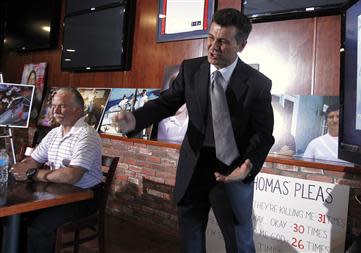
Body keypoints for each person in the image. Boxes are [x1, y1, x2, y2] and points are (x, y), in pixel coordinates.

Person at [113, 8, 274, 253]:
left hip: (232, 172)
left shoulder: (257, 84)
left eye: (223, 42)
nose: (213, 47)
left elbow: (263, 134)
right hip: (193, 170)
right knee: (191, 242)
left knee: (240, 244)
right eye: (210, 38)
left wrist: (248, 166)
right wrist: (135, 119)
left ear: (241, 45)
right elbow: (166, 103)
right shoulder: (191, 70)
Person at [10, 88, 103, 253]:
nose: (55, 111)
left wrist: (33, 174)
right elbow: (34, 160)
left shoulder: (87, 136)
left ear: (78, 110)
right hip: (57, 192)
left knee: (38, 227)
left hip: (84, 196)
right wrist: (22, 168)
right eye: (53, 106)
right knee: (14, 219)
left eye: (62, 106)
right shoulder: (54, 133)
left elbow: (72, 175)